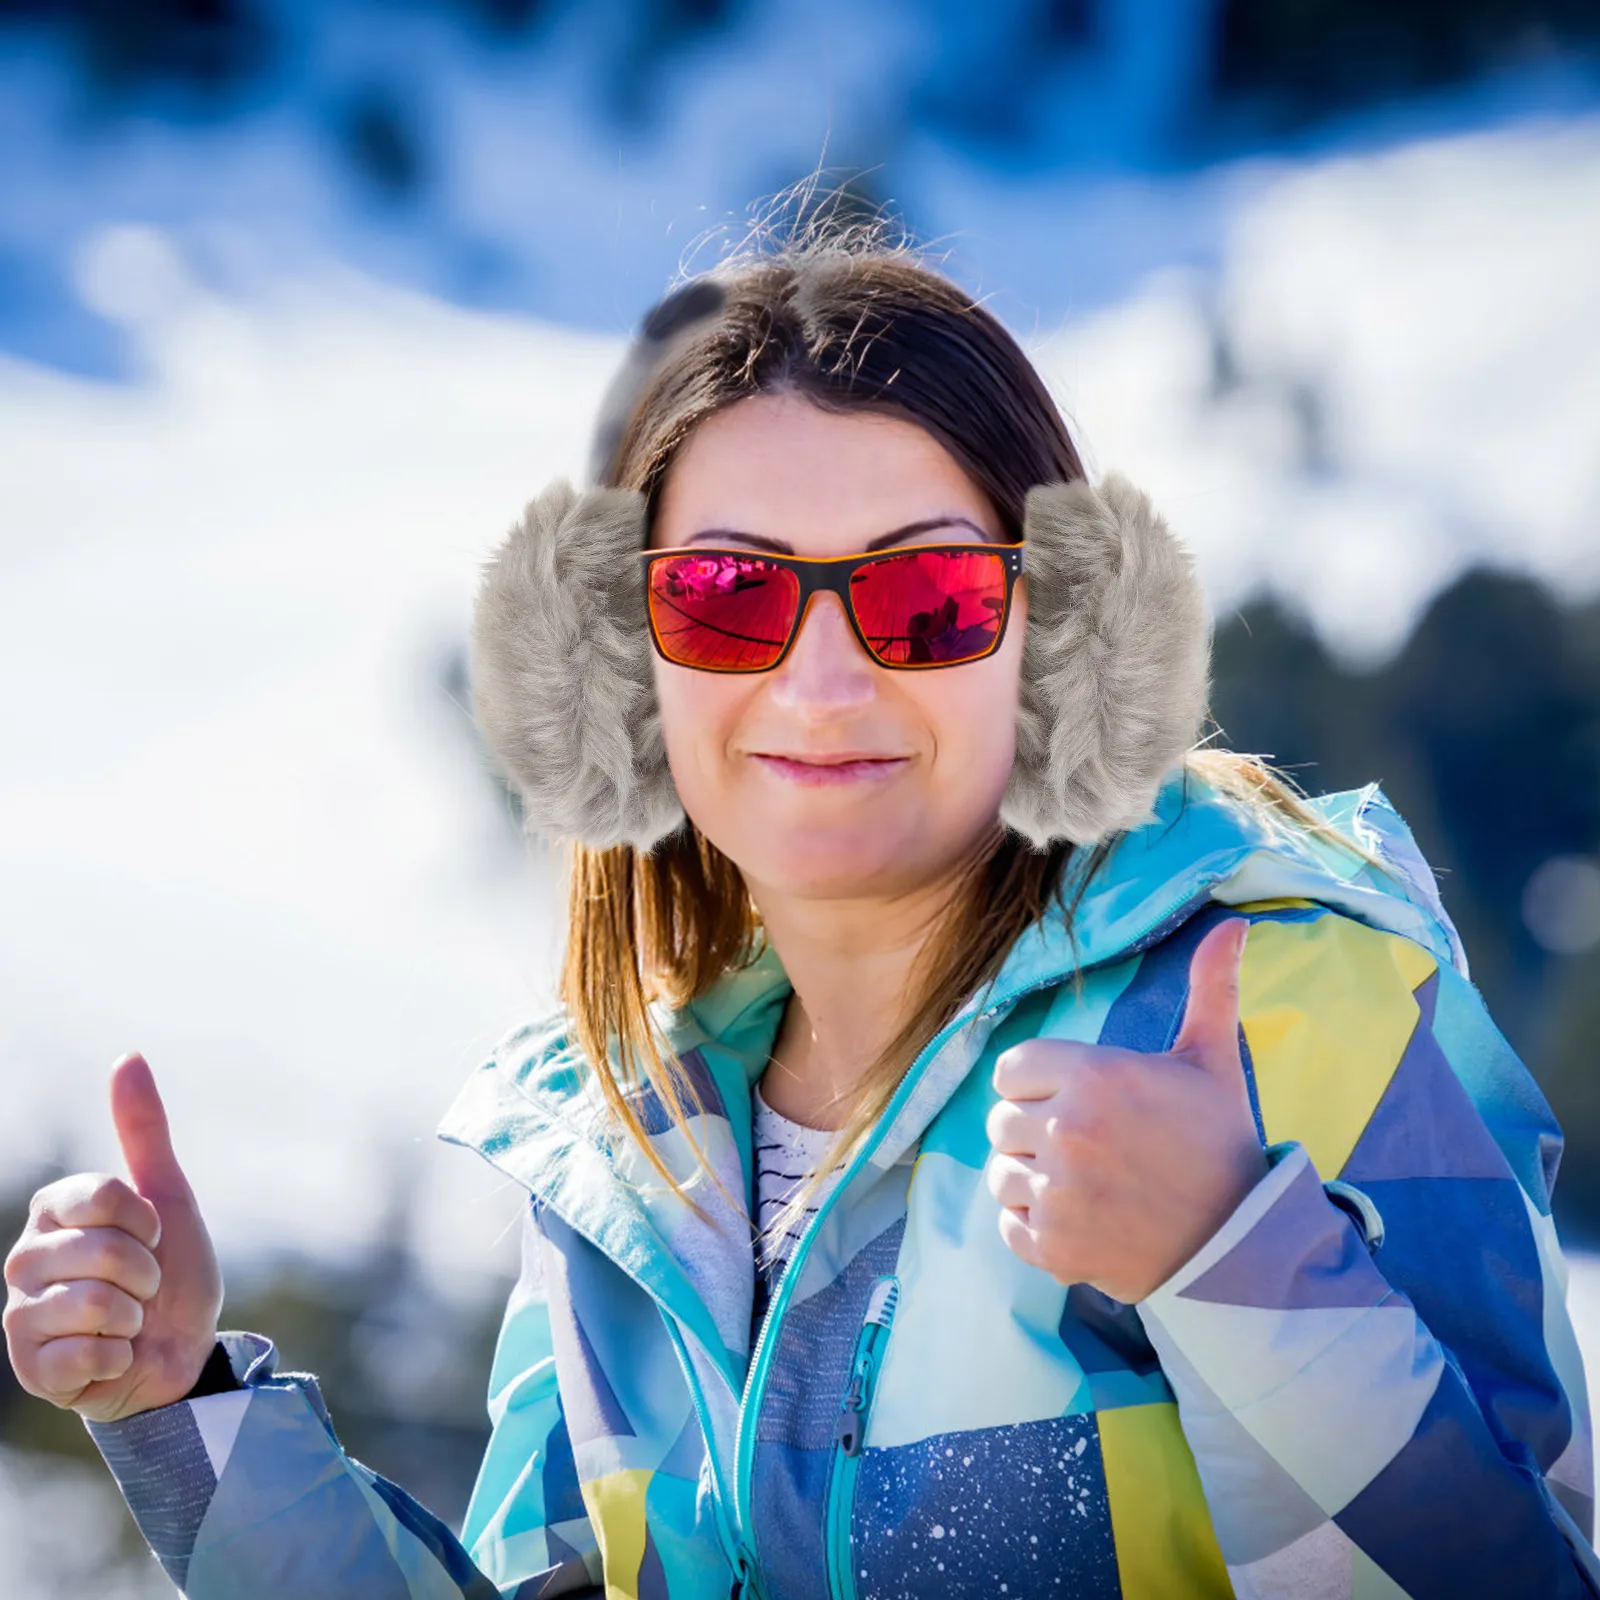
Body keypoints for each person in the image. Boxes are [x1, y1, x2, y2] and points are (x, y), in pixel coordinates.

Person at [5, 228, 1598, 1600]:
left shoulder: (1292, 1001)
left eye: (926, 600)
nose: (821, 682)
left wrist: (1230, 1260)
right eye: (729, 596)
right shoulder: (626, 1157)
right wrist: (182, 1408)